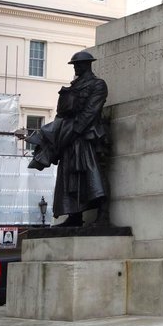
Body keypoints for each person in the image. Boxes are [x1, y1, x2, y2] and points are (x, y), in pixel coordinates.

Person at [27, 50, 111, 227]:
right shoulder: (73, 86)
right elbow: (62, 113)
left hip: (88, 137)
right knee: (71, 177)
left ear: (87, 65)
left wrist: (73, 130)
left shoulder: (98, 85)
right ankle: (75, 216)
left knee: (94, 175)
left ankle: (103, 215)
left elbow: (91, 111)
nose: (76, 68)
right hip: (71, 138)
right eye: (74, 65)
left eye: (78, 65)